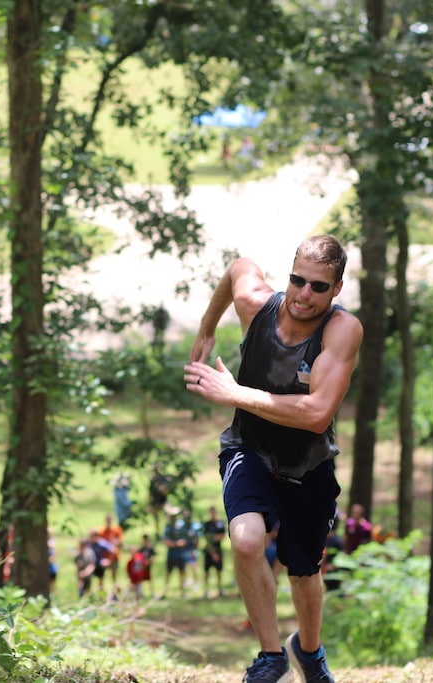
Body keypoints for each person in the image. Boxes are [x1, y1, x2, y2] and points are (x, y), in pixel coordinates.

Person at [184, 235, 363, 683]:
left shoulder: (341, 331)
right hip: (250, 448)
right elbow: (238, 266)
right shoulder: (256, 305)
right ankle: (269, 658)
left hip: (308, 463)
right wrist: (207, 327)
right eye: (298, 281)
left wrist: (236, 393)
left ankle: (308, 651)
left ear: (337, 289)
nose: (304, 294)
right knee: (246, 540)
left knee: (304, 570)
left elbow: (318, 415)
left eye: (318, 287)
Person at [161, 504, 192, 598]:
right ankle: (164, 592)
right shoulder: (168, 527)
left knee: (182, 572)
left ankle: (183, 592)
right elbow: (167, 542)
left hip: (181, 553)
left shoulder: (182, 526)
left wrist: (178, 543)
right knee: (168, 572)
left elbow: (185, 540)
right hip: (172, 553)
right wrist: (176, 544)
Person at [202, 505, 227, 598]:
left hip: (218, 549)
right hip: (209, 551)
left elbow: (222, 536)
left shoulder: (220, 523)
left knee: (219, 571)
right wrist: (213, 552)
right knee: (206, 571)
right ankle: (206, 590)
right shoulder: (207, 524)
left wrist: (213, 537)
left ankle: (220, 589)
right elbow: (207, 538)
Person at [98, 513, 125, 590]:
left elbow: (120, 542)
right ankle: (101, 594)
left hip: (114, 556)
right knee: (101, 577)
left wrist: (114, 543)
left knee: (114, 576)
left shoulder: (117, 530)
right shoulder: (101, 531)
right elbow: (99, 542)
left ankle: (115, 594)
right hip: (104, 557)